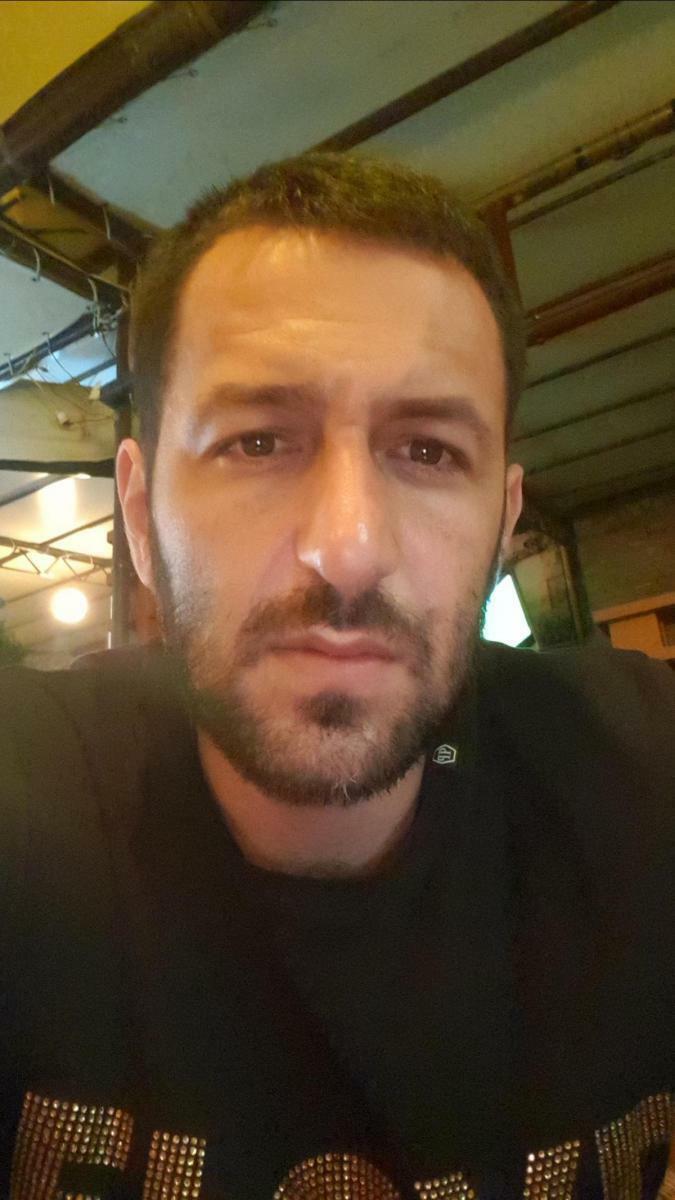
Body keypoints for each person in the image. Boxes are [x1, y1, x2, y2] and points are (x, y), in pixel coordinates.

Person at [1, 153, 673, 1200]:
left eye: (429, 451)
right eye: (257, 440)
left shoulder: (644, 778)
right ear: (139, 516)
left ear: (503, 523)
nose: (350, 549)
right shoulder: (30, 802)